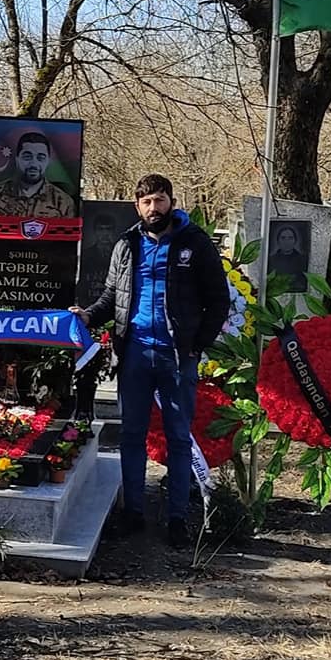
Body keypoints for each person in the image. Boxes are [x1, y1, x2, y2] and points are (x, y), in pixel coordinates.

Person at [69, 174, 230, 548]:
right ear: (136, 206)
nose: (153, 208)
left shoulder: (195, 243)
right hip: (135, 352)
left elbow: (218, 300)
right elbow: (112, 295)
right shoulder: (126, 245)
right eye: (146, 203)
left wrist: (197, 345)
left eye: (159, 200)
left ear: (171, 201)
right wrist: (90, 316)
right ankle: (134, 513)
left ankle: (176, 516)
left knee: (177, 436)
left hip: (177, 356)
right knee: (131, 434)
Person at [0, 132, 75, 217]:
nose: (34, 164)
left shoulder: (63, 202)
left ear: (48, 161)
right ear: (17, 159)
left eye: (40, 158)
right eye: (27, 157)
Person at [77, 212, 119, 305]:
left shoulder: (122, 254)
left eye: (108, 229)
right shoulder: (85, 254)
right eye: (100, 229)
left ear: (113, 231)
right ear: (95, 231)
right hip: (88, 302)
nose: (105, 233)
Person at [267, 223, 308, 292]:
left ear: (295, 241)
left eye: (290, 238)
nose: (287, 241)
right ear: (278, 241)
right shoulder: (270, 260)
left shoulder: (303, 260)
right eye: (283, 238)